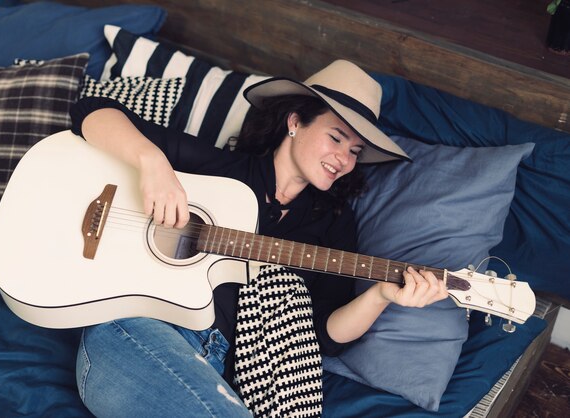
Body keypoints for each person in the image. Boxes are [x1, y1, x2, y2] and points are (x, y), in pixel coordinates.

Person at [68, 60, 448, 417]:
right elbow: (92, 111)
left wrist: (382, 294)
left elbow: (326, 337)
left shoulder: (333, 223)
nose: (344, 160)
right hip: (134, 329)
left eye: (354, 151)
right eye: (336, 138)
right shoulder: (222, 171)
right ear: (295, 122)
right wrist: (152, 163)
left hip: (217, 366)